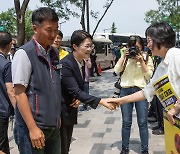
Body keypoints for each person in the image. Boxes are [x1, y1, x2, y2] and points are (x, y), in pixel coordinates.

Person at [109, 22, 180, 149]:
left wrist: (177, 107)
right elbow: (147, 91)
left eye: (149, 41)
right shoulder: (163, 66)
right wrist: (120, 100)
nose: (148, 45)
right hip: (175, 121)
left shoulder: (177, 56)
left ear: (161, 39)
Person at [12, 7, 61, 154]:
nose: (54, 35)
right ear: (35, 28)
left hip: (53, 127)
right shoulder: (24, 54)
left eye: (56, 30)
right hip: (33, 129)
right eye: (49, 30)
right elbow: (19, 93)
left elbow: (54, 87)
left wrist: (57, 115)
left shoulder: (54, 53)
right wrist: (32, 128)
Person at [60, 30, 116, 154]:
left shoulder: (82, 61)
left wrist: (79, 98)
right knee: (62, 148)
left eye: (91, 46)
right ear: (74, 46)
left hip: (70, 111)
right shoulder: (66, 64)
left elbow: (76, 90)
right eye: (86, 46)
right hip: (61, 113)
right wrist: (101, 101)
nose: (90, 49)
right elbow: (75, 91)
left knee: (66, 146)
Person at [114, 35, 154, 154]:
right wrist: (123, 57)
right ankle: (125, 148)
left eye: (137, 47)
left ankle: (144, 149)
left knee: (142, 122)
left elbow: (149, 76)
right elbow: (116, 71)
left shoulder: (147, 58)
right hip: (125, 91)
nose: (134, 50)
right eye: (132, 47)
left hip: (141, 92)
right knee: (126, 122)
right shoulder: (125, 57)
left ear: (142, 47)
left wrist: (141, 61)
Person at [0, 31, 16, 154]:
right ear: (10, 44)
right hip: (2, 111)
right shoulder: (6, 65)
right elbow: (11, 91)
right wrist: (19, 111)